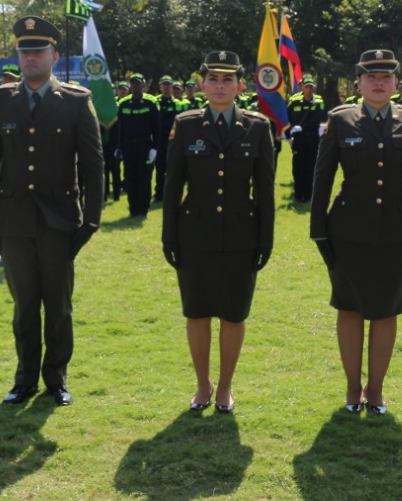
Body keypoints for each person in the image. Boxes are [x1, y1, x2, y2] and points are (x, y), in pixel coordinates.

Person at [0, 16, 105, 407]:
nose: (30, 57)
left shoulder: (77, 100)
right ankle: (24, 380)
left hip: (59, 222)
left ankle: (56, 380)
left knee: (58, 306)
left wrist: (91, 220)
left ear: (54, 55)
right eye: (24, 51)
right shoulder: (0, 100)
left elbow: (93, 165)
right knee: (24, 305)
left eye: (38, 51)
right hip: (14, 221)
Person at [310, 49, 402, 415]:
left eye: (385, 77)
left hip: (395, 234)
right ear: (359, 83)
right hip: (347, 231)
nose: (378, 83)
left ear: (396, 83)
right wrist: (319, 231)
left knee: (385, 312)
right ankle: (352, 387)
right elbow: (323, 178)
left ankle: (376, 389)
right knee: (349, 309)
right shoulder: (340, 119)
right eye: (370, 77)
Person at [162, 50, 275, 414]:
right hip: (195, 234)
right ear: (202, 85)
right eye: (214, 79)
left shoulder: (258, 127)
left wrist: (265, 239)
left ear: (240, 85)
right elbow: (172, 186)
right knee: (196, 313)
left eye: (228, 80)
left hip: (242, 236)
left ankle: (225, 386)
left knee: (233, 314)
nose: (220, 85)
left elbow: (266, 191)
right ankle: (202, 384)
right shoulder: (187, 123)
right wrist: (169, 237)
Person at [115, 74, 160, 217]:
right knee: (130, 178)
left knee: (144, 179)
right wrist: (118, 147)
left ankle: (143, 209)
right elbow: (119, 129)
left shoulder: (150, 103)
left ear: (143, 85)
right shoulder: (123, 103)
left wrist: (154, 148)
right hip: (128, 147)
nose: (135, 86)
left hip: (145, 146)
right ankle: (133, 209)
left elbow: (156, 128)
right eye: (133, 84)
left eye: (138, 84)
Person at [286, 78, 326, 203]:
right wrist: (288, 135)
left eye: (311, 87)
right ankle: (298, 195)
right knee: (298, 166)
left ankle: (308, 195)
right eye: (306, 86)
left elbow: (317, 119)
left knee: (310, 166)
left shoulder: (318, 101)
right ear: (302, 87)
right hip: (298, 140)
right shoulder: (294, 101)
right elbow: (287, 118)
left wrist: (302, 127)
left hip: (312, 138)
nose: (308, 89)